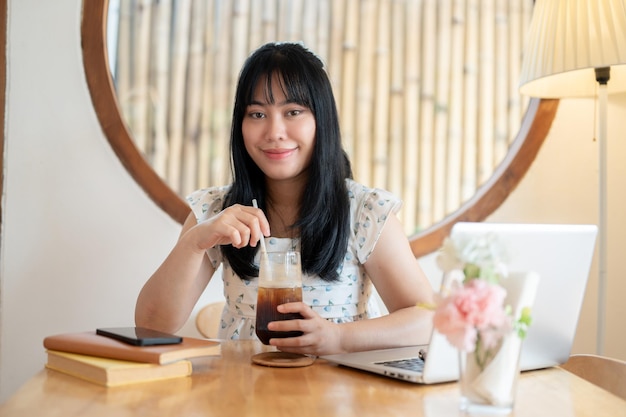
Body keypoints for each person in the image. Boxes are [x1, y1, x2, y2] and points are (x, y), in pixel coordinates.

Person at [135, 42, 435, 356]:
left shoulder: (364, 212)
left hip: (339, 399)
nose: (275, 131)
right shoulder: (215, 211)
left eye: (293, 112)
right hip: (240, 398)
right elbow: (151, 325)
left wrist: (339, 337)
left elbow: (427, 319)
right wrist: (194, 242)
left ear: (322, 120)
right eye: (257, 113)